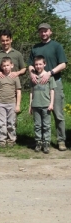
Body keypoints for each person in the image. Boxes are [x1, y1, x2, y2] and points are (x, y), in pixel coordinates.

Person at [28, 23, 67, 151]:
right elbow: (30, 65)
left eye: (46, 31)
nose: (43, 33)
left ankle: (61, 140)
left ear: (50, 32)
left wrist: (50, 73)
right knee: (39, 116)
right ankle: (41, 141)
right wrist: (32, 73)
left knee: (57, 113)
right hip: (39, 85)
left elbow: (63, 64)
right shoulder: (35, 48)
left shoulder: (57, 46)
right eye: (41, 31)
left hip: (54, 81)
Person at [28, 56, 56, 154]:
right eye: (36, 64)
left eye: (40, 64)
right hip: (35, 105)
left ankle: (46, 143)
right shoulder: (33, 77)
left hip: (46, 105)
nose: (38, 66)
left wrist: (51, 103)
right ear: (34, 65)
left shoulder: (49, 77)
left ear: (44, 64)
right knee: (37, 125)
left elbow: (52, 91)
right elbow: (31, 92)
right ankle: (38, 142)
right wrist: (30, 105)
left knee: (46, 125)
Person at [0, 57, 21, 148]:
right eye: (4, 66)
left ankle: (11, 140)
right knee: (1, 123)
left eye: (8, 65)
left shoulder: (15, 77)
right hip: (0, 103)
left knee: (11, 123)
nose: (6, 67)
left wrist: (18, 105)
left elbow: (18, 91)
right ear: (1, 66)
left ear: (12, 65)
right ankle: (2, 140)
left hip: (12, 103)